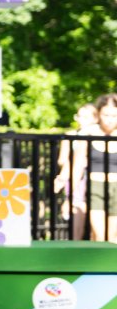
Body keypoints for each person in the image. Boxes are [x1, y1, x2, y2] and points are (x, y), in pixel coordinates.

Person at [53, 102, 98, 240]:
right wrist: (63, 176)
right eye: (79, 116)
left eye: (86, 117)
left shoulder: (99, 134)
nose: (81, 120)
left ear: (95, 118)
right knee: (75, 210)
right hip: (76, 177)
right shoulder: (72, 135)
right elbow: (63, 160)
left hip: (95, 177)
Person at [88, 94, 117, 243]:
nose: (110, 119)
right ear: (99, 114)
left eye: (114, 115)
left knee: (113, 237)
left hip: (116, 188)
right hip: (95, 186)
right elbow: (78, 165)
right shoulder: (89, 134)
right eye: (106, 114)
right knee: (99, 235)